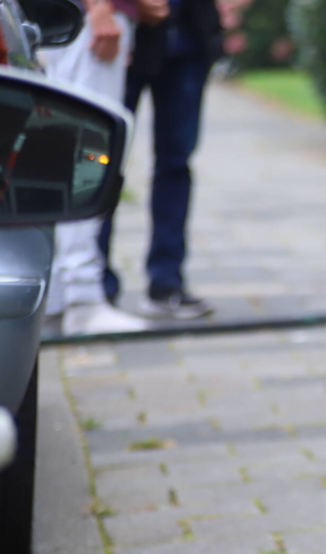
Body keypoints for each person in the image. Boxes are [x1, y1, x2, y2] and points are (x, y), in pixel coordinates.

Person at [97, 0, 232, 319]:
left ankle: (166, 282)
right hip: (125, 33)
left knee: (176, 163)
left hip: (189, 38)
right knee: (103, 162)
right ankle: (95, 284)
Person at [42, 0, 168, 335]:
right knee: (88, 153)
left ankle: (57, 297)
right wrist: (100, 9)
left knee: (64, 151)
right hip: (95, 20)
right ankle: (81, 298)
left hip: (76, 18)